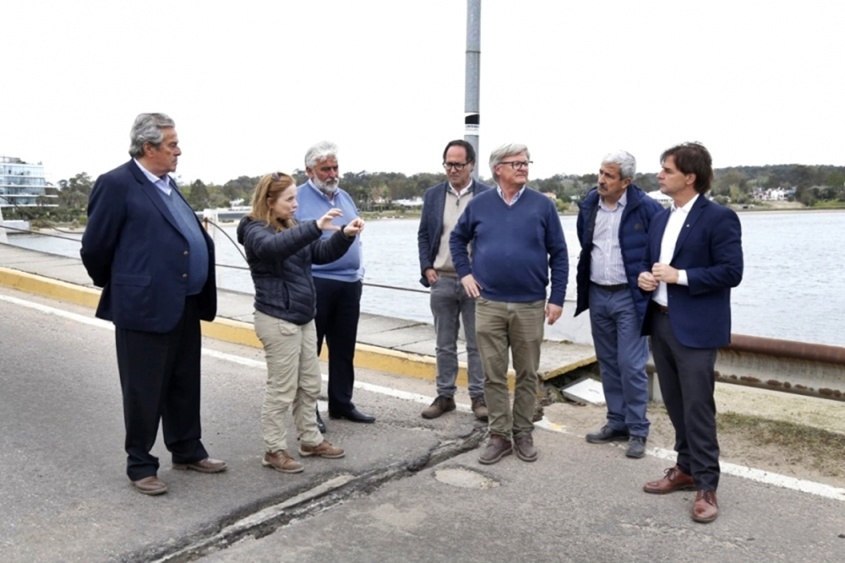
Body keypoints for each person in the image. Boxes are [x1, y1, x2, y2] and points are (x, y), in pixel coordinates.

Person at [80, 113, 226, 496]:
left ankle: (187, 449)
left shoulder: (167, 184)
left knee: (184, 382)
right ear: (148, 147)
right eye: (172, 144)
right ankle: (141, 465)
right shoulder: (116, 184)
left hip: (185, 302)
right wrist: (126, 284)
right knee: (143, 390)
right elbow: (94, 248)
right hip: (142, 306)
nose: (179, 151)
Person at [637, 142, 743, 523]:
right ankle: (685, 468)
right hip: (661, 321)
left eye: (667, 170)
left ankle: (707, 486)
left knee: (698, 407)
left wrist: (679, 276)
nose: (660, 175)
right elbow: (649, 264)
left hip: (696, 329)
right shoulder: (660, 218)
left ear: (690, 177)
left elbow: (732, 272)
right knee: (675, 403)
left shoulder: (719, 218)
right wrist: (644, 279)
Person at [450, 143, 569, 465]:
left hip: (530, 305)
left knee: (528, 374)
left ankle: (523, 432)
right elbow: (457, 239)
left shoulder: (543, 205)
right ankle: (499, 435)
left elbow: (559, 254)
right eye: (516, 163)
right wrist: (465, 274)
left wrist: (557, 298)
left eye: (526, 162)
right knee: (493, 375)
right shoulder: (480, 204)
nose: (523, 167)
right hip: (488, 303)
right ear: (498, 169)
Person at [238, 172, 363, 473]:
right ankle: (274, 449)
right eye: (289, 199)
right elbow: (273, 249)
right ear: (269, 201)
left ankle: (310, 439)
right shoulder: (255, 230)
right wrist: (314, 227)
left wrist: (344, 235)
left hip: (304, 317)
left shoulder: (290, 225)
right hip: (277, 318)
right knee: (282, 389)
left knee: (309, 384)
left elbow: (319, 253)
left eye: (296, 198)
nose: (296, 204)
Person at [575, 151, 663, 459]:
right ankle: (616, 422)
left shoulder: (647, 208)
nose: (601, 180)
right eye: (600, 173)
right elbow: (587, 245)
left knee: (630, 363)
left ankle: (638, 428)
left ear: (626, 182)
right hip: (598, 293)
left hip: (630, 296)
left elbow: (660, 250)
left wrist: (648, 276)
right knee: (608, 362)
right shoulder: (589, 205)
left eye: (609, 176)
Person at [295, 141, 374, 429]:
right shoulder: (297, 198)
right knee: (310, 350)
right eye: (325, 169)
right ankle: (308, 411)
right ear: (309, 171)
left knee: (344, 348)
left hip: (349, 283)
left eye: (335, 167)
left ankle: (341, 403)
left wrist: (360, 272)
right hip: (316, 281)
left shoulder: (345, 197)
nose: (332, 174)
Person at [417, 140, 491, 420]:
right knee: (444, 344)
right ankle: (445, 396)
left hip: (476, 282)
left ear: (471, 164)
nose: (453, 169)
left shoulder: (487, 195)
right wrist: (427, 267)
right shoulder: (433, 195)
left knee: (477, 343)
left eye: (458, 164)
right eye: (448, 164)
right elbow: (424, 234)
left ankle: (478, 397)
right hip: (443, 279)